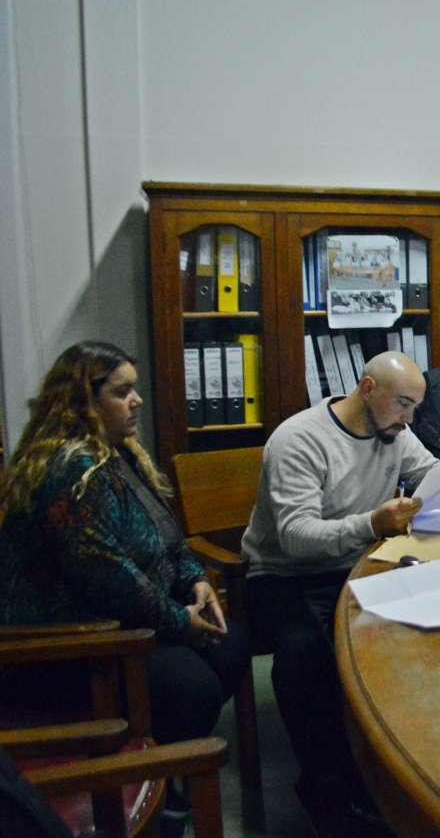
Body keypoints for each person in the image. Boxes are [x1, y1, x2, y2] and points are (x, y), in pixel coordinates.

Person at [0, 341, 249, 836]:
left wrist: (196, 581)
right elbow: (106, 579)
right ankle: (162, 781)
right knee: (192, 688)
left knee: (232, 646)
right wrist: (180, 621)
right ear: (82, 402)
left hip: (128, 621)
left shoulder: (118, 455)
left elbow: (168, 537)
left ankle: (166, 763)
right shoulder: (72, 471)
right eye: (122, 392)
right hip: (71, 644)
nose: (136, 402)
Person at [241, 350, 440, 836]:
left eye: (415, 407)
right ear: (367, 389)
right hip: (284, 576)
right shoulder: (299, 440)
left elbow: (429, 473)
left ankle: (409, 766)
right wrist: (372, 523)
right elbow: (295, 537)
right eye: (403, 405)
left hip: (359, 562)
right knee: (308, 654)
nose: (409, 419)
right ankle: (328, 788)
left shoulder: (392, 429)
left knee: (435, 619)